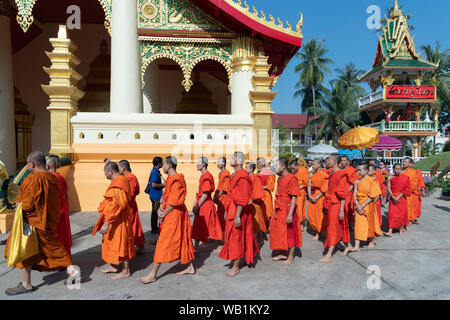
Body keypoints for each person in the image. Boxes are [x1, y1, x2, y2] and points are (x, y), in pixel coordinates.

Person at [4, 151, 77, 295]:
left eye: (27, 163)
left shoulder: (31, 180)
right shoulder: (54, 178)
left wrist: (18, 205)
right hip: (49, 220)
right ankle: (73, 272)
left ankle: (26, 285)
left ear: (31, 164)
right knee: (55, 248)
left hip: (30, 222)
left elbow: (28, 204)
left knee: (24, 252)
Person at [138, 156, 195, 284]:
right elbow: (166, 196)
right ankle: (190, 266)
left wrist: (163, 213)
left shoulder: (177, 180)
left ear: (169, 166)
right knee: (181, 240)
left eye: (164, 164)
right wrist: (160, 209)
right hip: (170, 212)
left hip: (174, 214)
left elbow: (175, 202)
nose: (162, 166)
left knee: (162, 243)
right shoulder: (170, 179)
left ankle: (153, 274)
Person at [92, 161, 135, 280]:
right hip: (115, 218)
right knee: (111, 242)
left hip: (118, 219)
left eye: (105, 172)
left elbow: (117, 205)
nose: (104, 174)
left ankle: (126, 270)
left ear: (110, 172)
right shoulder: (119, 181)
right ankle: (114, 265)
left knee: (122, 244)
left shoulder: (118, 185)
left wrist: (107, 223)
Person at [219, 151, 259, 277]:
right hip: (233, 210)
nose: (230, 160)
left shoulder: (243, 176)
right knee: (232, 237)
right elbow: (232, 194)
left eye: (233, 158)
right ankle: (236, 260)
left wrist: (237, 215)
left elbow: (243, 198)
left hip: (239, 212)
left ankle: (236, 267)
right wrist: (227, 210)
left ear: (240, 161)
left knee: (237, 238)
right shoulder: (236, 175)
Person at [269, 158, 301, 265]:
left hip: (288, 208)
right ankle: (283, 253)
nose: (274, 168)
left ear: (283, 166)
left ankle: (291, 257)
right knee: (280, 232)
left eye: (276, 166)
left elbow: (294, 197)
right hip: (280, 208)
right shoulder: (280, 179)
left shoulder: (292, 178)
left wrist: (290, 214)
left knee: (290, 233)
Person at [319, 155, 351, 262]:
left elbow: (342, 194)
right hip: (330, 203)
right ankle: (346, 246)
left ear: (335, 162)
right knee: (335, 226)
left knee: (333, 228)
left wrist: (341, 210)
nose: (326, 161)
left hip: (337, 205)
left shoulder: (341, 174)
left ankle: (329, 255)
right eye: (326, 159)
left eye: (329, 160)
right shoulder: (332, 173)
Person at [191, 157, 222, 250]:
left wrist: (197, 205)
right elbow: (199, 192)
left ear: (203, 165)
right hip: (201, 204)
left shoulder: (207, 176)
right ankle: (196, 246)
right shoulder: (203, 176)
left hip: (206, 205)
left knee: (211, 225)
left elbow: (205, 194)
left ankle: (220, 243)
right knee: (198, 225)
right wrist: (194, 204)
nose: (197, 165)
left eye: (198, 163)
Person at [46, 157, 73, 260]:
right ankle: (64, 258)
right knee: (63, 236)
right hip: (62, 209)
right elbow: (66, 193)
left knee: (58, 238)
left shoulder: (50, 178)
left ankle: (60, 260)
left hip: (55, 212)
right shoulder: (60, 177)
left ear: (47, 166)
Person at [352, 163, 381, 251]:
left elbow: (373, 196)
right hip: (358, 205)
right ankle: (357, 246)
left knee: (369, 223)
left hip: (368, 204)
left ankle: (370, 241)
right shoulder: (357, 181)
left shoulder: (372, 181)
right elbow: (354, 194)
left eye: (360, 170)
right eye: (358, 170)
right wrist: (357, 205)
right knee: (358, 224)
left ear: (366, 171)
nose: (358, 172)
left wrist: (362, 205)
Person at [118, 160, 145, 254]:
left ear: (124, 168)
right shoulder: (127, 177)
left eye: (119, 168)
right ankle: (140, 245)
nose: (117, 170)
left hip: (129, 206)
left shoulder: (130, 178)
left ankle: (132, 247)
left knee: (131, 227)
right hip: (130, 206)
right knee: (134, 226)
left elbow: (132, 193)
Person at [384, 164, 411, 236]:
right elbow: (389, 188)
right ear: (393, 169)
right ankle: (390, 231)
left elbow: (407, 189)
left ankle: (400, 229)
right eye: (396, 169)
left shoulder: (405, 178)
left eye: (399, 169)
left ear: (401, 169)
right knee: (391, 214)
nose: (398, 170)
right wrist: (392, 196)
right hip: (392, 197)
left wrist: (398, 196)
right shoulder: (390, 178)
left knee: (401, 215)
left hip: (401, 198)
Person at [212, 157, 230, 253]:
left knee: (223, 220)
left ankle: (225, 242)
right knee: (220, 220)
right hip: (220, 199)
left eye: (219, 162)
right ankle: (222, 241)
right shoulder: (221, 174)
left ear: (223, 163)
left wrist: (217, 196)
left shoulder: (226, 173)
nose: (217, 164)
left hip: (224, 200)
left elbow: (224, 188)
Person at [307, 159, 328, 240]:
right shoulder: (311, 173)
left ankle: (319, 233)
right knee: (311, 215)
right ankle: (317, 230)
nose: (313, 166)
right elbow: (309, 184)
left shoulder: (324, 174)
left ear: (319, 165)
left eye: (314, 164)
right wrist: (309, 195)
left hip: (319, 196)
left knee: (319, 215)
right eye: (312, 164)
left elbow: (324, 188)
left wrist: (316, 197)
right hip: (312, 195)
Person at [246, 162, 266, 246]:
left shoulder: (256, 178)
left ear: (251, 169)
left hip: (255, 203)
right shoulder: (246, 178)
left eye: (246, 167)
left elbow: (257, 190)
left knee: (257, 222)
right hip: (247, 202)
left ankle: (259, 240)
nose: (245, 169)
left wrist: (252, 199)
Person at [339, 156, 358, 226]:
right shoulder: (339, 170)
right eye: (341, 160)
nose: (343, 162)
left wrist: (347, 191)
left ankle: (349, 224)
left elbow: (353, 183)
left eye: (344, 160)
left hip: (348, 192)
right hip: (339, 192)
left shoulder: (352, 170)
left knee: (347, 209)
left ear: (348, 161)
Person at [290, 159, 308, 231]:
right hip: (293, 191)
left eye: (294, 168)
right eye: (292, 168)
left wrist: (298, 187)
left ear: (297, 166)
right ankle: (295, 222)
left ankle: (301, 224)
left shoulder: (304, 170)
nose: (292, 169)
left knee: (300, 208)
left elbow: (305, 182)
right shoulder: (293, 172)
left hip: (301, 191)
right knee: (293, 207)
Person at [148, 157, 165, 234]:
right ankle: (154, 229)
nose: (163, 164)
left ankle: (154, 228)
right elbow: (154, 185)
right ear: (158, 163)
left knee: (155, 212)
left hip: (155, 195)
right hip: (156, 196)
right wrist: (162, 185)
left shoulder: (155, 171)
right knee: (155, 212)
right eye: (162, 162)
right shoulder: (154, 172)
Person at [257, 157, 275, 224]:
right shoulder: (258, 173)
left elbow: (270, 186)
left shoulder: (269, 172)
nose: (257, 165)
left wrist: (260, 187)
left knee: (266, 214)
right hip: (258, 194)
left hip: (266, 195)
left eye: (258, 163)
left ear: (263, 163)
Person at [401, 157, 419, 224]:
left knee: (408, 208)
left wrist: (406, 191)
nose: (403, 163)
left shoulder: (413, 172)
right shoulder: (401, 171)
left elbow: (414, 184)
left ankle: (407, 221)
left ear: (410, 164)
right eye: (403, 161)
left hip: (407, 193)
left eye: (405, 162)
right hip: (399, 193)